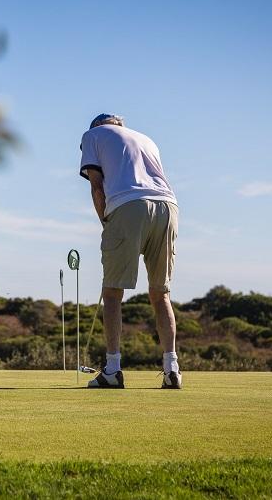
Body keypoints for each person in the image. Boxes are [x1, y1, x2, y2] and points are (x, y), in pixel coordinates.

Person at [79, 113, 181, 389]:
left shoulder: (93, 135)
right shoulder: (147, 139)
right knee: (161, 293)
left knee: (112, 292)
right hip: (168, 207)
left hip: (128, 206)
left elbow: (97, 185)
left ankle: (112, 370)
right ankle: (172, 370)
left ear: (98, 126)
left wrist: (105, 222)